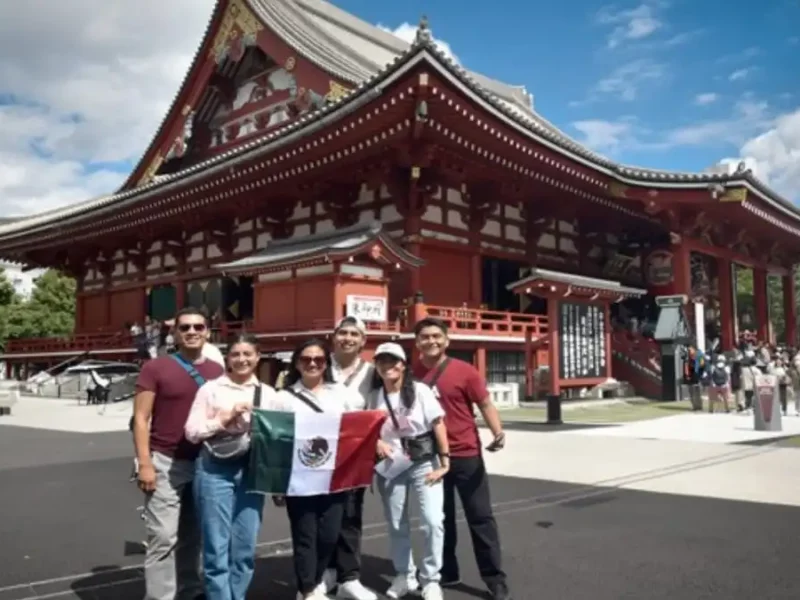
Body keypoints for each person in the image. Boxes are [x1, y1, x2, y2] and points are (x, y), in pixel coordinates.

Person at [412, 317, 512, 600]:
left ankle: (494, 578)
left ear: (447, 340)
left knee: (480, 517)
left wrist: (498, 431)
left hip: (466, 453)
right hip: (430, 458)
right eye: (425, 337)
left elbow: (485, 403)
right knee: (439, 519)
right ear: (417, 342)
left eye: (436, 336)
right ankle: (446, 571)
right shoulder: (411, 373)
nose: (431, 341)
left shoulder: (465, 371)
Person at [132, 307, 225, 600]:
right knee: (162, 537)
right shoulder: (155, 368)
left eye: (199, 327)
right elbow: (140, 418)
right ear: (175, 333)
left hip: (205, 462)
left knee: (192, 535)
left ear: (207, 332)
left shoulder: (217, 371)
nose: (192, 332)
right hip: (165, 459)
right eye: (185, 327)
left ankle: (189, 589)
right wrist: (144, 463)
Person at [184, 333, 280, 600]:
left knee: (245, 548)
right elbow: (191, 432)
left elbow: (279, 437)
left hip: (252, 471)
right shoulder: (211, 389)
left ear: (258, 357)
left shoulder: (269, 394)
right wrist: (223, 420)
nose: (241, 360)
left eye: (247, 354)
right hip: (215, 469)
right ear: (228, 357)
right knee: (216, 547)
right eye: (236, 354)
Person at [276, 339, 364, 600]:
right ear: (296, 363)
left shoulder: (342, 394)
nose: (312, 364)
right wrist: (277, 483)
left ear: (327, 363)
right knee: (305, 535)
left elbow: (358, 426)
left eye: (319, 359)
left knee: (329, 534)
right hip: (299, 479)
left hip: (334, 477)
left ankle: (317, 579)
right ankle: (306, 587)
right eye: (306, 359)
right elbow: (275, 439)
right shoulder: (283, 397)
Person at [373, 342, 450, 600]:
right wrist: (376, 442)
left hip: (423, 462)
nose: (388, 366)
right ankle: (404, 574)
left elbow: (437, 423)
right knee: (396, 523)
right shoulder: (374, 396)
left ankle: (430, 579)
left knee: (432, 521)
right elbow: (367, 428)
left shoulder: (420, 391)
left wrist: (445, 459)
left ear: (404, 364)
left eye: (393, 361)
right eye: (382, 361)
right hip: (391, 465)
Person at [321, 317, 377, 600]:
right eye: (342, 333)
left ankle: (349, 577)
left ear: (363, 340)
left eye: (354, 334)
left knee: (351, 514)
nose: (348, 338)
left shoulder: (372, 372)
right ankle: (323, 571)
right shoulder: (317, 364)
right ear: (333, 337)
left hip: (356, 452)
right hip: (319, 450)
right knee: (320, 513)